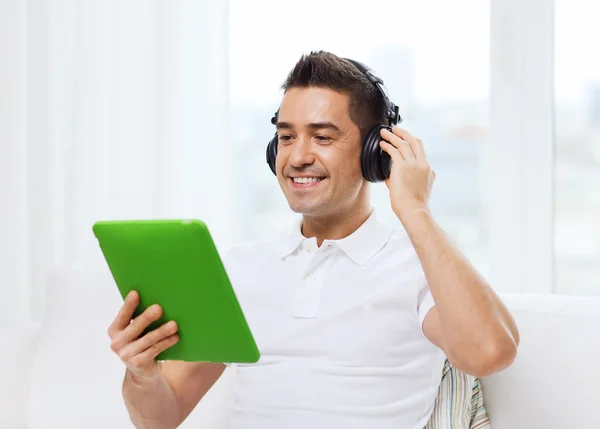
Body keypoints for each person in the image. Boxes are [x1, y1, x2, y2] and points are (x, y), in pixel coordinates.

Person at [107, 51, 520, 429]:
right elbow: (160, 417)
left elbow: (489, 351)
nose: (298, 156)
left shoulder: (416, 266)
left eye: (322, 137)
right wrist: (141, 373)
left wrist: (415, 209)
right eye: (287, 137)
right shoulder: (242, 267)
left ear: (375, 153)